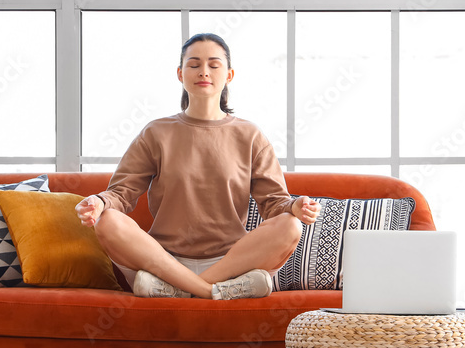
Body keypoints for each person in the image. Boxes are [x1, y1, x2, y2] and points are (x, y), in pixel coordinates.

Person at [74, 33, 321, 300]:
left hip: (230, 263)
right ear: (180, 74)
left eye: (214, 65)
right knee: (107, 220)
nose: (204, 72)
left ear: (229, 75)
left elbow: (274, 203)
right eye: (194, 65)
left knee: (290, 226)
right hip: (163, 261)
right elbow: (121, 193)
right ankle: (211, 292)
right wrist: (99, 202)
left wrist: (294, 207)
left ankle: (181, 290)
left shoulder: (250, 135)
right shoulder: (156, 132)